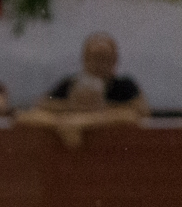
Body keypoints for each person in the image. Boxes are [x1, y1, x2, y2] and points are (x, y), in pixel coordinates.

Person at [16, 33, 150, 148]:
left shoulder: (124, 86)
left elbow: (139, 113)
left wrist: (84, 119)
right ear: (85, 59)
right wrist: (70, 111)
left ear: (114, 60)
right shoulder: (70, 83)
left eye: (105, 58)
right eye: (95, 58)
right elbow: (38, 108)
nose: (100, 64)